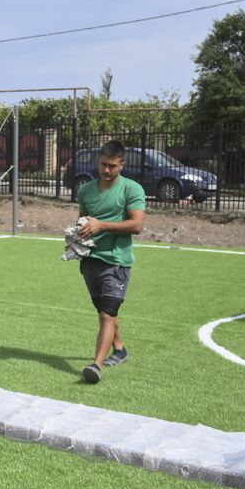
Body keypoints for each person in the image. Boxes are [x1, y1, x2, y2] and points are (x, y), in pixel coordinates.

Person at [74, 140, 146, 384]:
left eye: (112, 166)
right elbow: (83, 221)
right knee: (105, 311)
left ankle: (96, 365)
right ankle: (120, 349)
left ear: (121, 165)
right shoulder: (85, 190)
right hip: (90, 261)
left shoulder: (132, 189)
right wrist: (75, 239)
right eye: (103, 164)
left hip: (117, 262)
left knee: (107, 314)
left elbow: (137, 225)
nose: (106, 170)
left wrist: (101, 225)